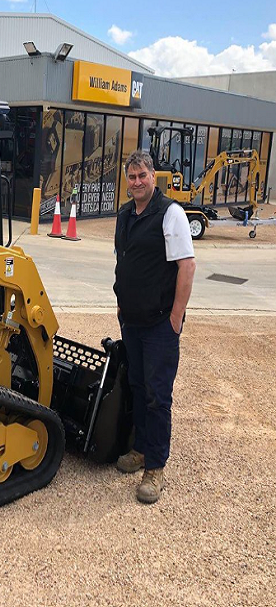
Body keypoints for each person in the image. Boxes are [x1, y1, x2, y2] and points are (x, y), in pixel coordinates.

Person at [113, 150, 196, 504]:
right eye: (131, 177)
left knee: (157, 396)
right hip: (132, 321)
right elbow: (123, 260)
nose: (137, 182)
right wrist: (121, 302)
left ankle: (156, 467)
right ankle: (142, 449)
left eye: (142, 176)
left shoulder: (170, 213)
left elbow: (187, 266)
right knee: (137, 386)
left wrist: (176, 316)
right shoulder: (124, 215)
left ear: (153, 176)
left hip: (161, 324)